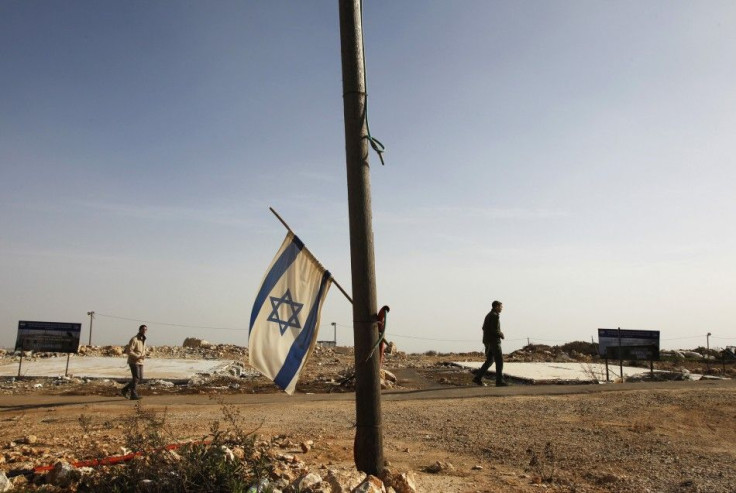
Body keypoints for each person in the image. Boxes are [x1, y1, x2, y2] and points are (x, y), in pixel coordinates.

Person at [473, 301, 508, 387]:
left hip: (488, 341)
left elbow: (484, 328)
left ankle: (477, 377)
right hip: (494, 341)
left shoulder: (489, 315)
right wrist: (501, 334)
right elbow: (494, 330)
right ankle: (499, 381)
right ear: (496, 307)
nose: (501, 308)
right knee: (499, 361)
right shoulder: (494, 316)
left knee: (489, 361)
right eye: (500, 307)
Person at [121, 325, 147, 400]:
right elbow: (129, 351)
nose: (144, 331)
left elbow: (143, 350)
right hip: (133, 361)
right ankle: (133, 394)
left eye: (145, 330)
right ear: (139, 330)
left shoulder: (144, 339)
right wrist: (137, 356)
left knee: (140, 378)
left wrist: (144, 355)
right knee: (136, 378)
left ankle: (125, 390)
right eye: (143, 329)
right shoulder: (134, 339)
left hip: (140, 361)